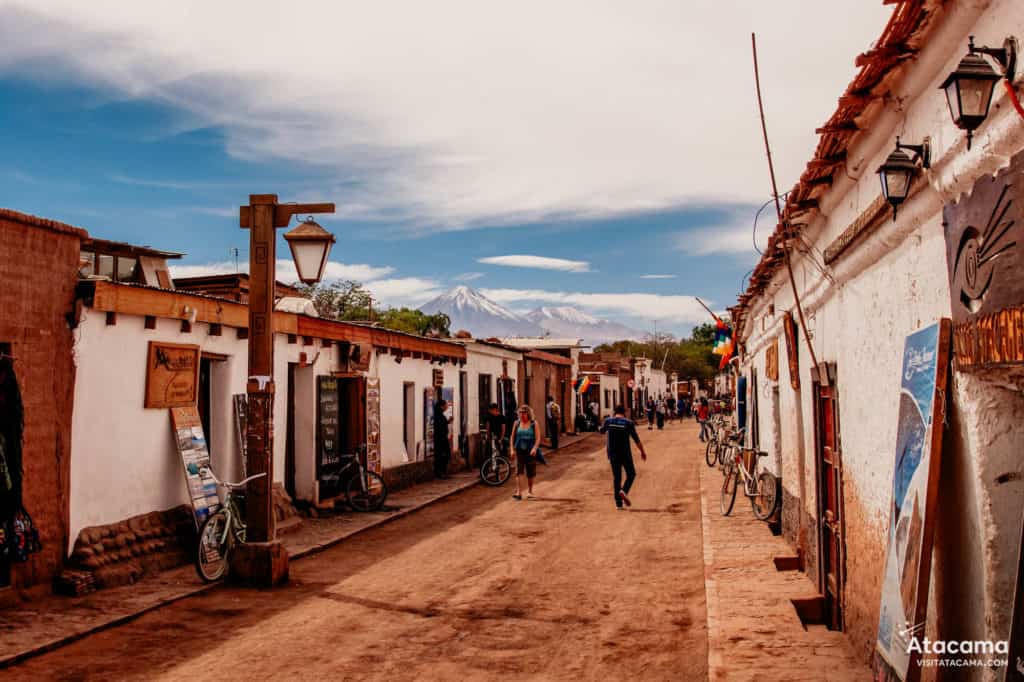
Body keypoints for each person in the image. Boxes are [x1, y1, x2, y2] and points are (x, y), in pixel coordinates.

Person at [599, 404, 647, 510]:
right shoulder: (628, 423)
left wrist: (601, 425)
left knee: (617, 477)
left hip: (612, 454)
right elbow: (636, 439)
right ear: (624, 412)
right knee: (631, 474)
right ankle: (624, 491)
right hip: (625, 453)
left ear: (614, 412)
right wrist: (642, 452)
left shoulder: (608, 421)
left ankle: (618, 504)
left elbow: (601, 431)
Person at [509, 405, 539, 500]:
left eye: (524, 413)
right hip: (519, 450)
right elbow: (512, 437)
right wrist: (512, 449)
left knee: (530, 472)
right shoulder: (516, 423)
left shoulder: (534, 424)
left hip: (530, 451)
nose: (522, 415)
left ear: (528, 414)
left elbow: (538, 438)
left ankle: (530, 491)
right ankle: (519, 492)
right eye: (520, 413)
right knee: (518, 471)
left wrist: (534, 448)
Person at [433, 399, 452, 479]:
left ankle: (442, 472)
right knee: (443, 455)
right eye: (445, 405)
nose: (447, 407)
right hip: (441, 439)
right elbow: (440, 426)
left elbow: (442, 424)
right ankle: (441, 473)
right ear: (441, 406)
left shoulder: (440, 414)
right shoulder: (438, 415)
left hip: (442, 438)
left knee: (444, 455)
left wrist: (448, 421)